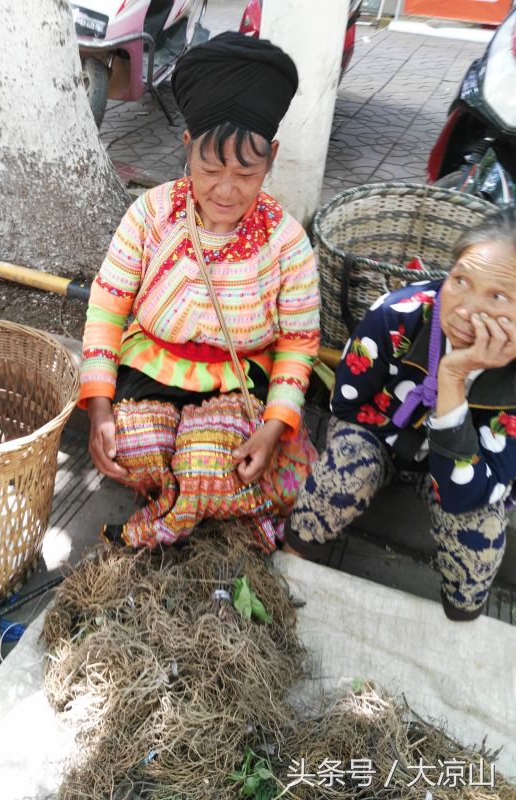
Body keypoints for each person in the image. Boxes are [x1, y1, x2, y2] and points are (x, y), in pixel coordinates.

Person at [79, 32, 320, 553]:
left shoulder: (287, 241)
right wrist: (100, 410)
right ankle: (197, 498)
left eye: (246, 171)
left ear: (271, 158)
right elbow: (106, 306)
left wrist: (275, 426)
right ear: (187, 148)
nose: (227, 189)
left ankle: (174, 509)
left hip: (238, 384)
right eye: (210, 169)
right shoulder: (150, 214)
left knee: (214, 458)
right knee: (134, 447)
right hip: (153, 372)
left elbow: (299, 343)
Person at [285, 209, 516, 622]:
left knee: (481, 535)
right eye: (460, 280)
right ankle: (290, 568)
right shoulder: (398, 315)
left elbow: (466, 492)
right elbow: (348, 402)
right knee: (341, 474)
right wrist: (386, 443)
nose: (465, 309)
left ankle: (459, 624)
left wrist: (452, 378)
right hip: (380, 434)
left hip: (467, 473)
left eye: (498, 297)